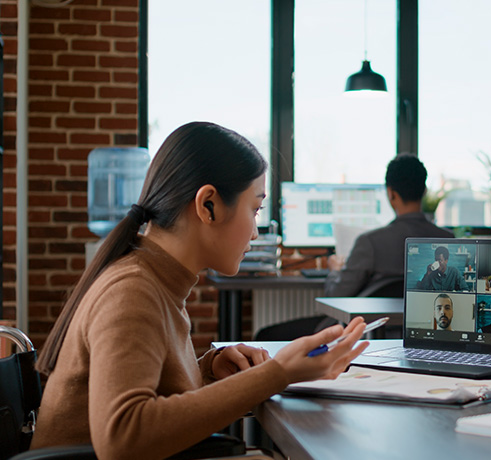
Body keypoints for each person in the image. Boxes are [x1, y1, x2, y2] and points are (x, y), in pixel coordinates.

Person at [30, 122, 369, 460]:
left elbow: (152, 397)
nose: (254, 232)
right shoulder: (133, 291)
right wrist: (276, 374)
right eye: (255, 210)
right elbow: (123, 440)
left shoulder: (156, 280)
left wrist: (208, 371)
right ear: (208, 205)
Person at [324, 154, 452, 297]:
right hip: (429, 320)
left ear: (391, 193)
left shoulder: (370, 243)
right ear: (424, 191)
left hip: (374, 320)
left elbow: (337, 295)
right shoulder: (448, 240)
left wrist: (335, 271)